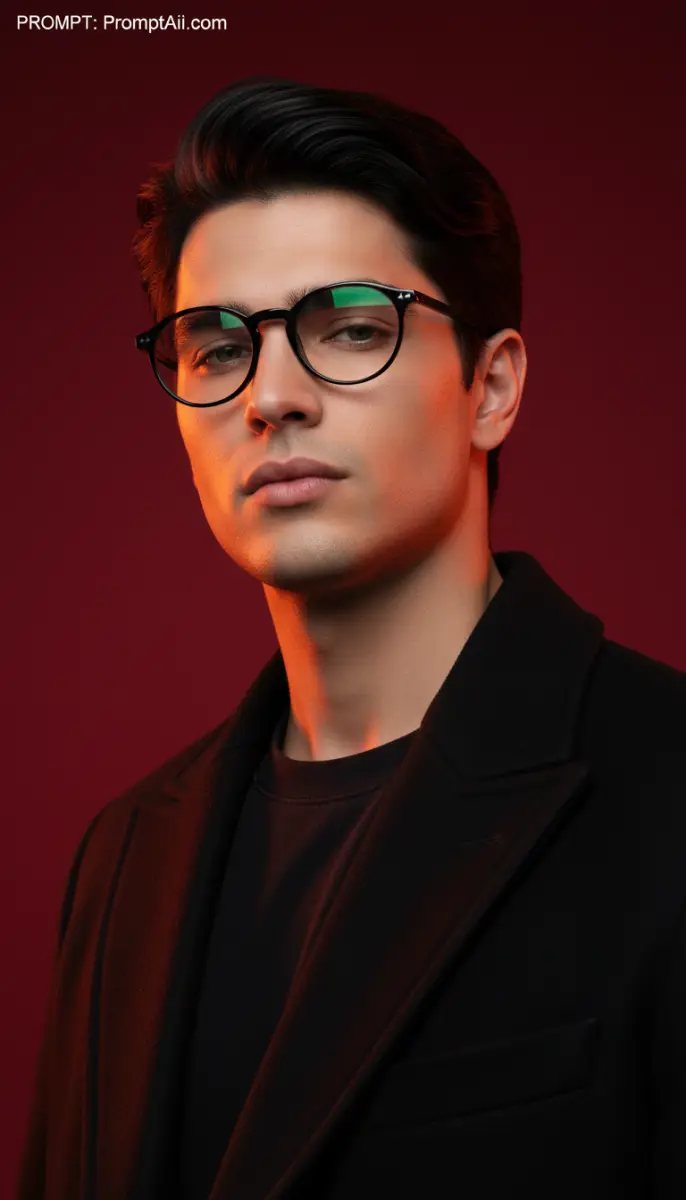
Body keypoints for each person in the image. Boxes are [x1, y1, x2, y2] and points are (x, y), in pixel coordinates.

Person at [16, 75, 686, 1200]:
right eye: (214, 346)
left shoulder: (665, 788)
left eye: (351, 329)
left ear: (491, 386)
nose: (270, 395)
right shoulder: (123, 854)